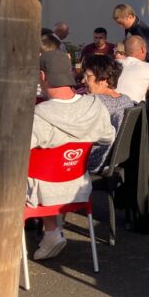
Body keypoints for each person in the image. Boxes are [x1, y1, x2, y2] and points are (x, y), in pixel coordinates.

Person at [29, 50, 116, 260]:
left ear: (42, 76)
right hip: (78, 183)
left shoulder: (39, 115)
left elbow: (17, 150)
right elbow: (108, 137)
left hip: (40, 191)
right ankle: (51, 231)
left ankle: (49, 231)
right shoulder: (95, 106)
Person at [82, 54, 136, 173]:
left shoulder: (93, 102)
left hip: (93, 161)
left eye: (88, 77)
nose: (83, 80)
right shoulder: (126, 100)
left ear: (103, 79)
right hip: (115, 160)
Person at [115, 35, 149, 103]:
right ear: (142, 49)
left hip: (107, 109)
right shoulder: (148, 68)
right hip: (131, 111)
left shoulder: (112, 64)